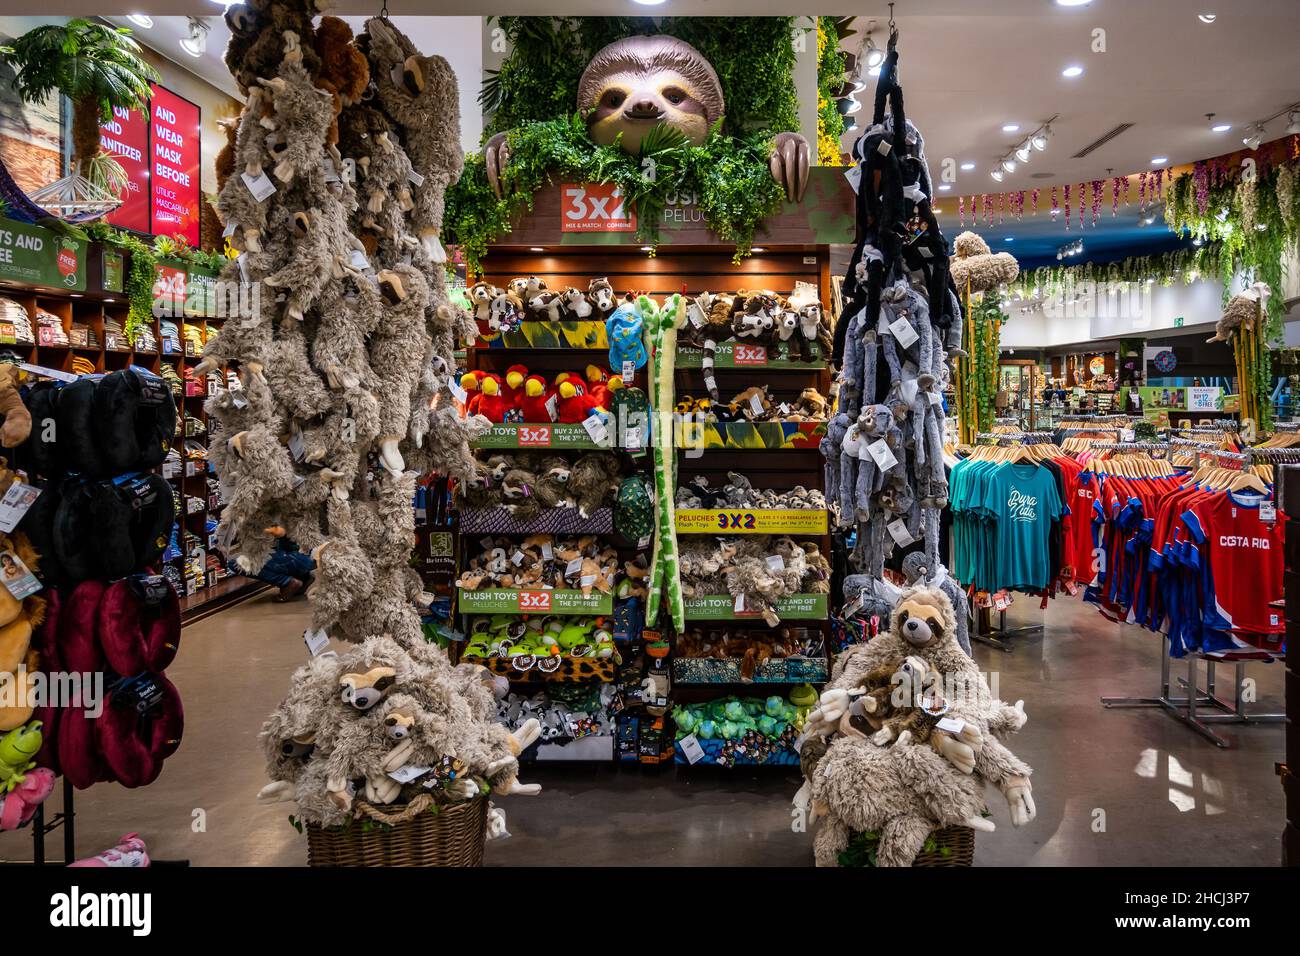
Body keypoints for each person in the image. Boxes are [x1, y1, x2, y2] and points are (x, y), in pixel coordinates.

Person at [231, 526, 315, 602]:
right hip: (307, 555)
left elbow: (280, 531)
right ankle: (303, 577)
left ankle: (287, 582)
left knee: (235, 562)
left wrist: (254, 528)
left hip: (296, 557)